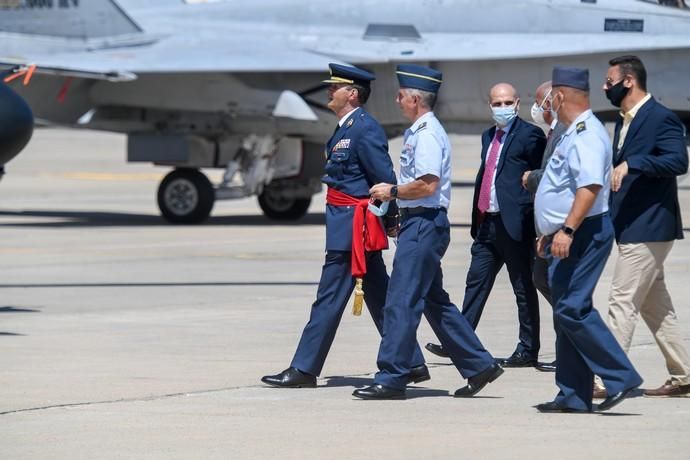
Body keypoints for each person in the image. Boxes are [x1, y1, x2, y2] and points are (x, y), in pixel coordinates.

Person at [261, 64, 428, 389]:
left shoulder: (363, 129)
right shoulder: (346, 127)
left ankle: (304, 368)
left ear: (351, 94)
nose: (328, 91)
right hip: (347, 225)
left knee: (328, 298)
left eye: (335, 87)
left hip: (353, 230)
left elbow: (384, 176)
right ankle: (411, 362)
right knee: (380, 297)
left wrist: (391, 218)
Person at [352, 64, 502, 400]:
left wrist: (391, 192)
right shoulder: (420, 131)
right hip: (419, 223)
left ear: (416, 99)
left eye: (402, 95)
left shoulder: (428, 134)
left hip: (423, 223)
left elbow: (426, 184)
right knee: (435, 301)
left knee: (400, 301)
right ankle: (479, 365)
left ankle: (392, 376)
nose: (398, 100)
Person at [534, 66, 642, 413]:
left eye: (552, 96)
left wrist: (566, 230)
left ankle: (621, 377)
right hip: (567, 233)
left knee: (572, 308)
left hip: (585, 232)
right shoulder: (569, 132)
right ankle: (573, 394)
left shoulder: (586, 134)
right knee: (564, 313)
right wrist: (550, 232)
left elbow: (590, 186)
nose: (548, 103)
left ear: (561, 96)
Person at [425, 83, 546, 368]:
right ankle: (459, 341)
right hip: (487, 223)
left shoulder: (531, 136)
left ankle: (528, 349)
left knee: (523, 288)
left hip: (516, 224)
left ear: (517, 103)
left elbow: (541, 178)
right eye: (496, 103)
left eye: (507, 102)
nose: (502, 107)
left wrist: (533, 219)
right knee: (475, 283)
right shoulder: (487, 136)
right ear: (489, 106)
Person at [601, 55, 690, 397]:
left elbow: (678, 161)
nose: (604, 88)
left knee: (621, 302)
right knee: (657, 308)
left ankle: (608, 377)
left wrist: (633, 163)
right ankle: (683, 376)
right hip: (629, 224)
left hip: (650, 226)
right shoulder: (624, 120)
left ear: (629, 81)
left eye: (609, 82)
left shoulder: (660, 117)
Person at [523, 80, 568, 373]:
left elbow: (557, 174)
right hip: (549, 226)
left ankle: (570, 348)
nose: (536, 108)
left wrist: (531, 177)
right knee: (543, 279)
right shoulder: (553, 132)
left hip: (562, 226)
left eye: (539, 102)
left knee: (556, 286)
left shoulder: (564, 132)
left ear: (550, 103)